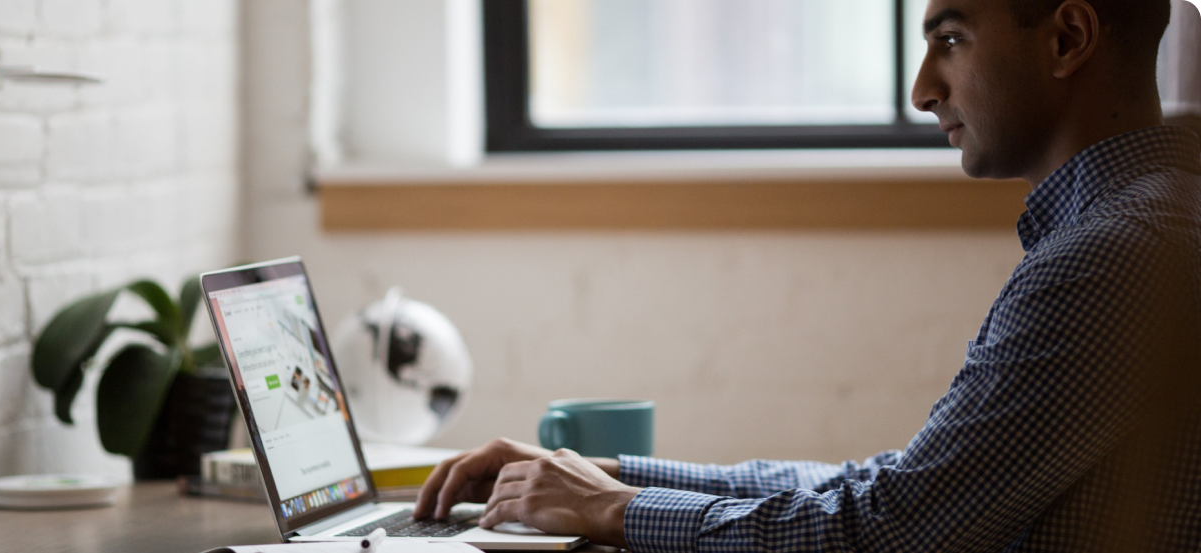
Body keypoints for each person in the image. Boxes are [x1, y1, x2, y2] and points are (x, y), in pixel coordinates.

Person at [415, 0, 1201, 550]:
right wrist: (613, 476)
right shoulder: (1139, 228)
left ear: (1067, 38)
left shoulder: (1112, 259)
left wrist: (615, 511)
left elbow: (885, 531)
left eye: (952, 37)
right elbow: (897, 489)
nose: (923, 89)